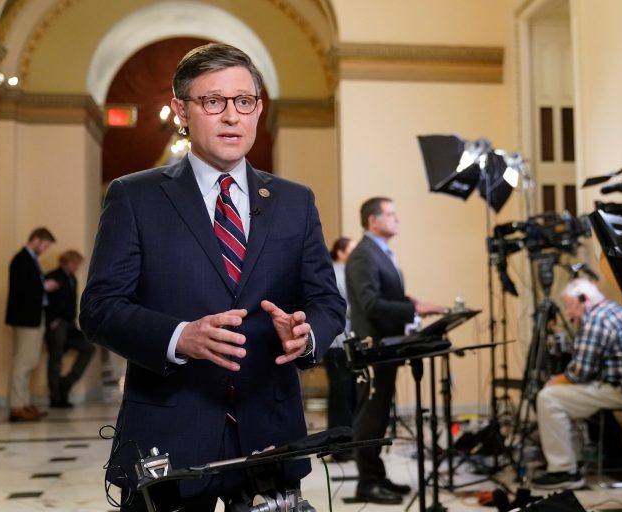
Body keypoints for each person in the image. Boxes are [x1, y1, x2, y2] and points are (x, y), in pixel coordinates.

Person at [79, 43, 345, 511]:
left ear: (258, 109)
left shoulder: (295, 201)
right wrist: (178, 337)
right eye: (213, 101)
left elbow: (328, 302)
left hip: (270, 436)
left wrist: (305, 337)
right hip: (168, 435)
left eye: (244, 102)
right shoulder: (134, 197)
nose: (231, 117)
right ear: (182, 109)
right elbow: (99, 310)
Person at [346, 196, 446, 505]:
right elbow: (371, 304)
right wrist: (414, 310)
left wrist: (411, 303)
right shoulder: (365, 254)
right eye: (390, 214)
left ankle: (377, 475)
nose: (397, 219)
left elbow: (386, 294)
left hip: (388, 347)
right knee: (370, 417)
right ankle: (367, 483)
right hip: (373, 348)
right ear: (372, 221)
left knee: (379, 416)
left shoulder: (380, 252)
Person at [530, 278, 622, 491]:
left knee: (548, 397)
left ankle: (564, 470)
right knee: (562, 395)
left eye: (569, 305)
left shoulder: (596, 320)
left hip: (621, 391)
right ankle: (574, 462)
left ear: (582, 299)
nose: (568, 313)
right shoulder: (612, 310)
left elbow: (579, 373)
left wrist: (552, 382)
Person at [5, 227, 59, 422]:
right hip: (25, 318)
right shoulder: (21, 259)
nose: (44, 249)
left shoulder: (31, 260)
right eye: (44, 245)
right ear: (35, 239)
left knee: (29, 362)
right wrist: (44, 287)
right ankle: (17, 406)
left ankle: (24, 403)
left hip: (34, 317)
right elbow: (22, 288)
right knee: (23, 362)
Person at [45, 250, 96, 408]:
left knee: (89, 348)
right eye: (75, 264)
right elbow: (44, 300)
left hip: (70, 325)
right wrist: (51, 320)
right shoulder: (53, 276)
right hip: (57, 324)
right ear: (66, 262)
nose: (77, 267)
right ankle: (55, 397)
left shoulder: (72, 279)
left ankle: (66, 383)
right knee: (56, 358)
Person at [323, 236, 357, 462]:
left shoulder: (347, 271)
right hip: (337, 344)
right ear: (341, 252)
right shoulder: (337, 272)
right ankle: (340, 449)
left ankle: (348, 445)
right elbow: (344, 306)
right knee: (341, 397)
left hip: (347, 342)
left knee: (348, 395)